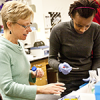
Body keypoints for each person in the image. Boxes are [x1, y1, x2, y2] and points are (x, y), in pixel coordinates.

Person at [0, 1, 66, 100]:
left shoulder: (18, 44)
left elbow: (16, 74)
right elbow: (8, 87)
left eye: (29, 24)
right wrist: (40, 89)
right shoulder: (2, 50)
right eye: (25, 25)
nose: (30, 29)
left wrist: (31, 73)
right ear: (9, 25)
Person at [48, 0, 100, 97]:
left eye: (87, 26)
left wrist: (93, 75)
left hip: (88, 81)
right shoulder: (58, 30)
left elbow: (98, 57)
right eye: (79, 25)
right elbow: (51, 59)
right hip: (67, 82)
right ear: (71, 16)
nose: (82, 30)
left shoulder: (96, 29)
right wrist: (59, 66)